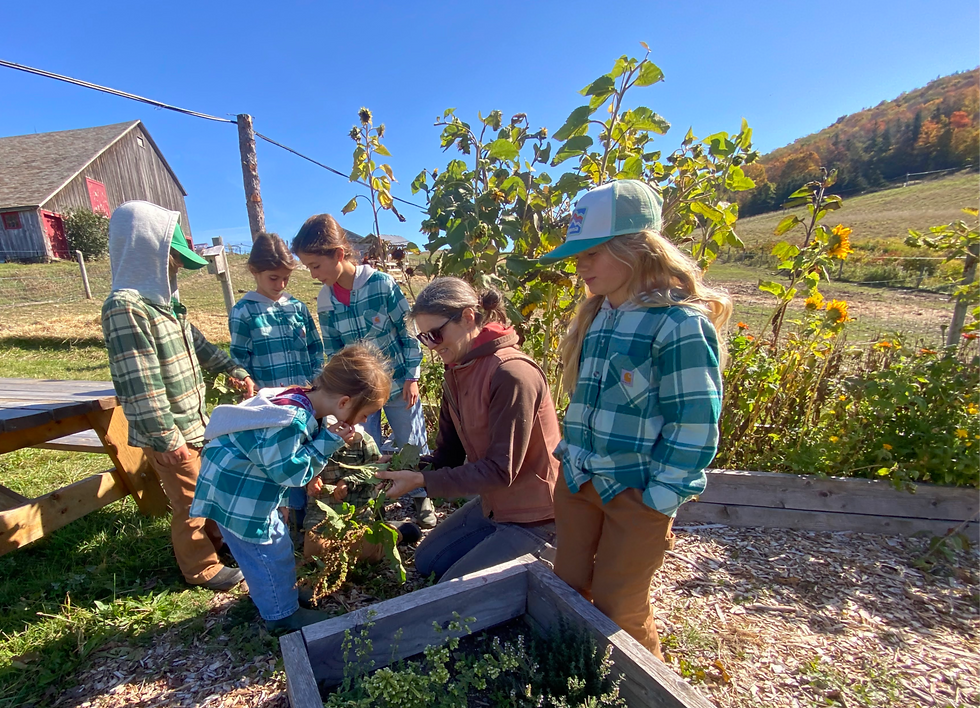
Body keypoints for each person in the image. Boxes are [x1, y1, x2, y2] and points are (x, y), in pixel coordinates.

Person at [538, 179, 731, 660]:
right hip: (579, 480)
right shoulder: (597, 315)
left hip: (635, 491)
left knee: (620, 605)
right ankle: (579, 672)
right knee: (569, 585)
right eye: (578, 256)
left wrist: (659, 499)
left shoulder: (679, 323)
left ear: (637, 249)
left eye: (592, 253)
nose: (581, 266)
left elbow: (694, 423)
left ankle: (644, 686)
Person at [102, 200, 256, 592]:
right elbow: (140, 380)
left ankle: (219, 543)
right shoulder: (127, 307)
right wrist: (164, 436)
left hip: (194, 422)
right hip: (169, 432)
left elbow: (200, 346)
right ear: (146, 250)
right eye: (171, 260)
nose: (174, 269)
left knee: (208, 489)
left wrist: (232, 369)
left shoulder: (168, 307)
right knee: (190, 502)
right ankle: (201, 568)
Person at [190, 344, 391, 632]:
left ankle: (273, 595)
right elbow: (289, 471)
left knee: (262, 552)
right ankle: (281, 615)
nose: (364, 422)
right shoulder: (293, 421)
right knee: (270, 553)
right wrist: (328, 443)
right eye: (365, 414)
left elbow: (271, 456)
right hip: (242, 496)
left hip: (233, 486)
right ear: (345, 402)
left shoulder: (298, 399)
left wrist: (282, 500)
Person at [378, 277, 561, 582]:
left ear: (467, 317)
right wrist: (401, 467)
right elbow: (447, 456)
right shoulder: (457, 370)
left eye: (436, 334)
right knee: (427, 561)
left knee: (452, 591)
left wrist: (422, 480)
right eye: (424, 338)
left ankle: (549, 553)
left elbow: (501, 471)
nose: (432, 346)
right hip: (495, 505)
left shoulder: (511, 373)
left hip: (537, 517)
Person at [291, 214, 436, 528]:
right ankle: (373, 505)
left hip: (398, 383)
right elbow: (334, 350)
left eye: (316, 266)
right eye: (309, 268)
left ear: (338, 255)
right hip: (357, 395)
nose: (313, 274)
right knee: (363, 449)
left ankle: (421, 496)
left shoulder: (380, 284)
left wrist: (412, 376)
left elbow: (407, 331)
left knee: (410, 440)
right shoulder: (325, 300)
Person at [228, 232, 323, 529]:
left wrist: (316, 380)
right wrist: (248, 386)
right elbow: (239, 359)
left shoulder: (297, 307)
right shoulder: (244, 311)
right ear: (254, 271)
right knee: (282, 458)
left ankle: (309, 519)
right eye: (273, 278)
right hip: (273, 404)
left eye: (285, 278)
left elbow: (315, 348)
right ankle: (287, 521)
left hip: (305, 398)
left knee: (306, 453)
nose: (280, 284)